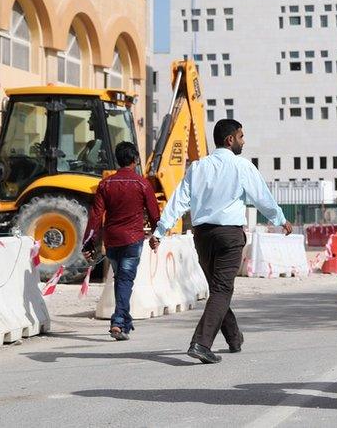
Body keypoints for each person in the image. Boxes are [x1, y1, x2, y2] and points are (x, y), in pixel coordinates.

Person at [152, 119, 293, 364]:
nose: (243, 141)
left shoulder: (197, 167)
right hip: (228, 236)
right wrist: (280, 219)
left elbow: (179, 200)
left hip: (203, 237)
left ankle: (234, 337)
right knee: (222, 290)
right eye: (241, 136)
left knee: (218, 289)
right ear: (230, 139)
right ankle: (201, 343)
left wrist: (160, 230)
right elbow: (262, 197)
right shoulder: (241, 166)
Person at [82, 141, 161, 341]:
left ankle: (124, 321)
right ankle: (118, 322)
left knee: (121, 280)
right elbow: (154, 214)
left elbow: (95, 216)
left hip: (112, 241)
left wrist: (88, 242)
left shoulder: (105, 184)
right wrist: (156, 235)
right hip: (133, 240)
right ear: (135, 160)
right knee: (125, 281)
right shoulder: (142, 184)